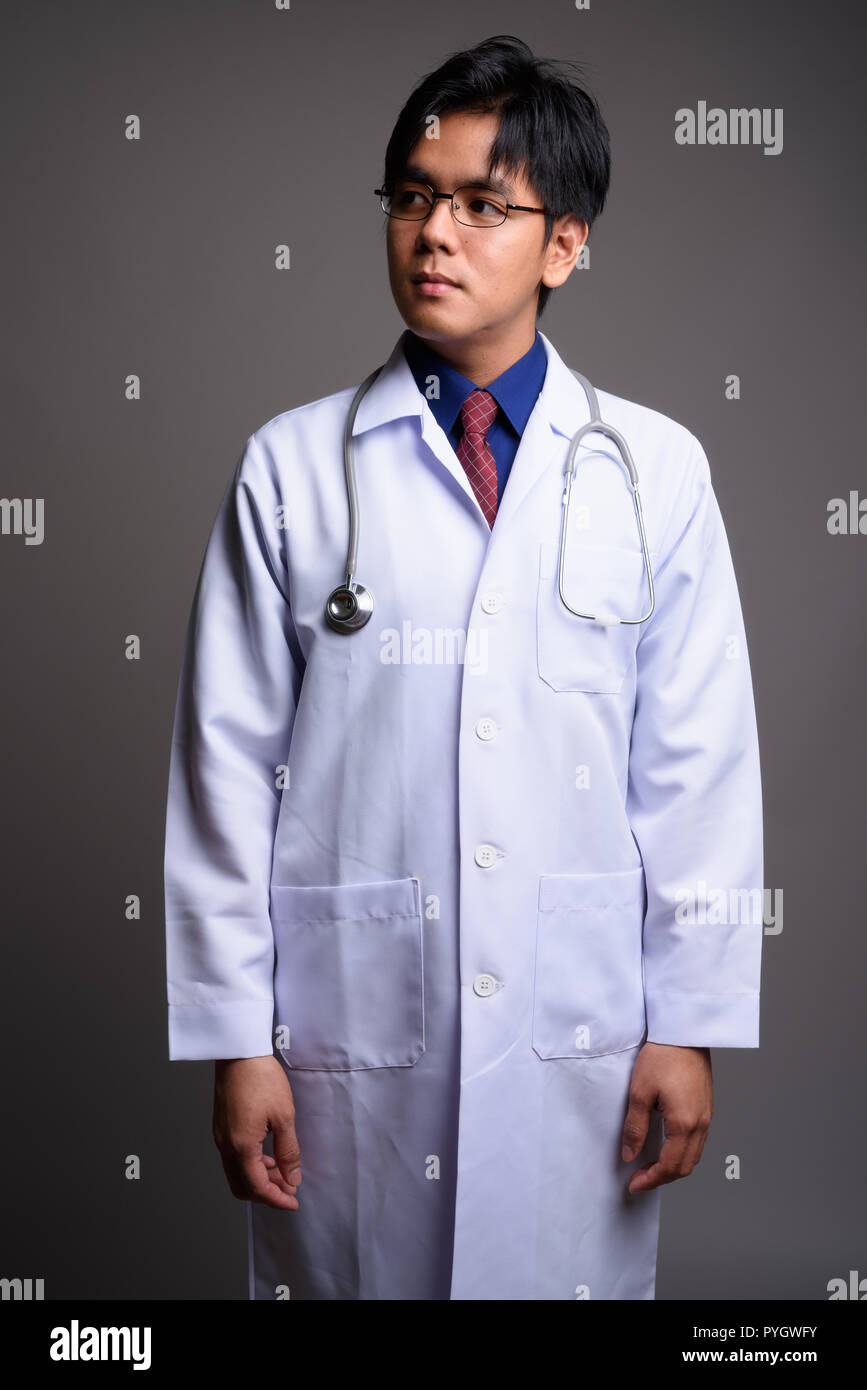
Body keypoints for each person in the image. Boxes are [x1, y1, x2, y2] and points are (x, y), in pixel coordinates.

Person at [164, 34, 763, 1301]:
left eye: (485, 204)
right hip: (344, 1035)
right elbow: (224, 772)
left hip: (580, 1039)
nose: (435, 231)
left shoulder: (655, 472)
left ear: (566, 244)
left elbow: (698, 767)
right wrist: (235, 1040)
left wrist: (689, 1022)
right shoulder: (292, 469)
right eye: (414, 196)